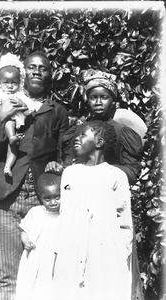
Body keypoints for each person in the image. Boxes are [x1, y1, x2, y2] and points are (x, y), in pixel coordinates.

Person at [0, 50, 69, 300]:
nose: (37, 71)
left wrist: (58, 164)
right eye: (32, 66)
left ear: (50, 75)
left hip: (43, 202)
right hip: (8, 196)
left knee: (45, 272)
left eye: (43, 67)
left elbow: (66, 153)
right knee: (8, 275)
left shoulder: (58, 112)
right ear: (23, 72)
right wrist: (1, 117)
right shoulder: (6, 101)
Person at [51, 120, 133, 300]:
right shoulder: (70, 173)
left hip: (104, 250)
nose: (76, 139)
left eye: (83, 135)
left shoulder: (116, 176)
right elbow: (64, 213)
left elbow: (124, 220)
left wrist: (120, 252)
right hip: (72, 246)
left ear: (99, 142)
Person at [62, 69, 147, 185]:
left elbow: (132, 173)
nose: (98, 102)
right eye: (93, 97)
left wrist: (100, 169)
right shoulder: (78, 131)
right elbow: (68, 166)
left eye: (104, 97)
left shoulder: (122, 132)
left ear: (113, 101)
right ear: (88, 100)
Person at [0, 53, 39, 178]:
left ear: (19, 82)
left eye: (14, 83)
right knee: (9, 122)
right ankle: (12, 138)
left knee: (14, 147)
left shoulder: (20, 95)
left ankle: (8, 166)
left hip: (15, 131)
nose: (10, 86)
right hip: (0, 129)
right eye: (6, 82)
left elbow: (29, 108)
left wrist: (22, 104)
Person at [15, 173, 61, 300]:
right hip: (36, 257)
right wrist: (26, 241)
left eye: (57, 197)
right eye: (48, 199)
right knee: (33, 288)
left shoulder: (65, 215)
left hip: (56, 260)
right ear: (41, 198)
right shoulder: (36, 213)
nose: (53, 202)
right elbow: (24, 231)